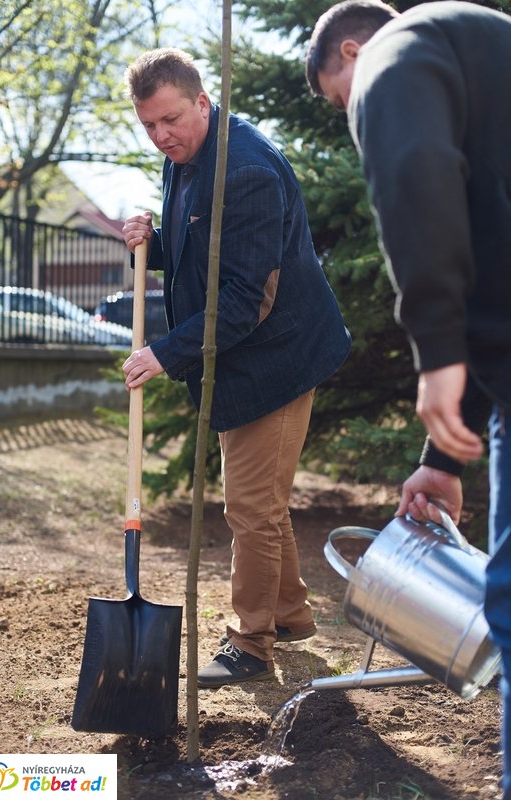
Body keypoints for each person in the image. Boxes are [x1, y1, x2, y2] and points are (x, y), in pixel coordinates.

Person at [305, 1, 511, 796]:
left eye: (341, 99)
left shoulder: (397, 52)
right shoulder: (482, 53)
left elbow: (418, 170)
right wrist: (441, 461)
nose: (354, 117)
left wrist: (437, 353)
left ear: (353, 51)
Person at [120, 48, 351, 689]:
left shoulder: (245, 170)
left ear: (202, 101)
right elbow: (205, 247)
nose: (161, 136)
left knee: (250, 509)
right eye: (149, 125)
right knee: (261, 502)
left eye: (170, 120)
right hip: (240, 354)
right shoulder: (186, 155)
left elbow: (245, 299)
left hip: (276, 356)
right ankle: (290, 615)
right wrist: (153, 245)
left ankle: (251, 643)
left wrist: (164, 353)